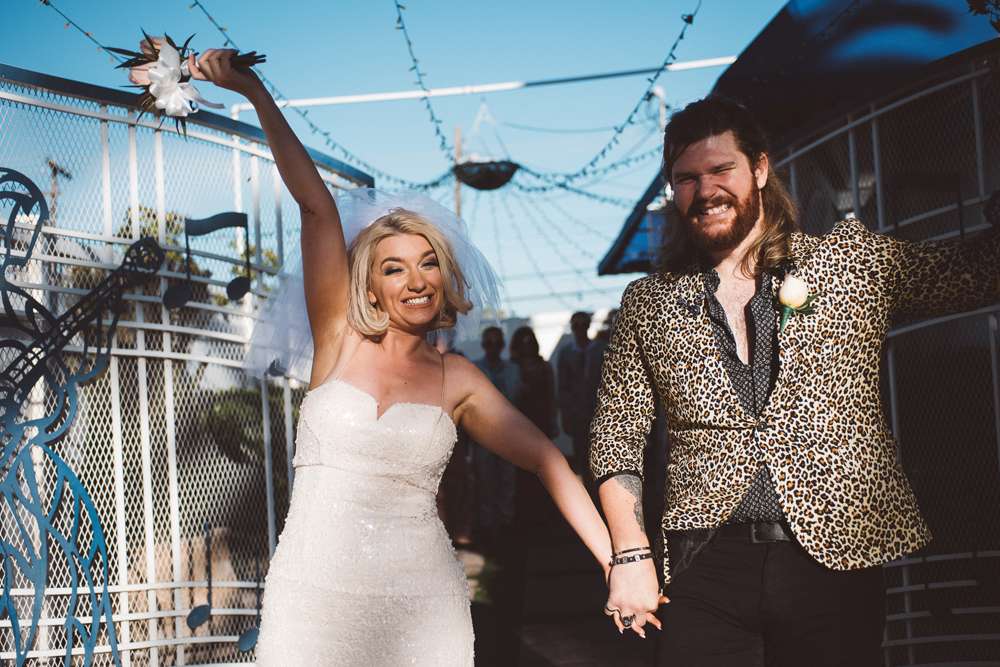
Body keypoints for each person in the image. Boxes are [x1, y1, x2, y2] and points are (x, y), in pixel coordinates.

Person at [136, 46, 616, 666]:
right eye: (394, 268)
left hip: (423, 608)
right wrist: (255, 94)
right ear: (369, 285)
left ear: (443, 278)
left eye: (428, 264)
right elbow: (316, 206)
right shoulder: (336, 338)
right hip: (312, 601)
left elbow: (548, 460)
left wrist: (617, 561)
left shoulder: (459, 380)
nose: (415, 281)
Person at [590, 96, 1000, 666]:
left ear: (759, 168)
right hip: (703, 563)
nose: (705, 190)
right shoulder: (648, 301)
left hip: (836, 558)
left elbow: (975, 275)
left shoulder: (850, 264)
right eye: (686, 178)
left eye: (721, 169)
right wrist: (631, 555)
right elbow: (615, 435)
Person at [471, 326, 521, 550]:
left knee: (507, 482)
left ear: (502, 345)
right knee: (485, 483)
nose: (492, 347)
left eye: (496, 343)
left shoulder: (512, 370)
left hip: (509, 435)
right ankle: (488, 529)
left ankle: (506, 527)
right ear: (484, 345)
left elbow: (516, 400)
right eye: (489, 343)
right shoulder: (475, 368)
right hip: (482, 435)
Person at [556, 311, 596, 474]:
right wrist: (566, 415)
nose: (579, 329)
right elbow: (562, 386)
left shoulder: (599, 349)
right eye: (576, 325)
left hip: (597, 411)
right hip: (577, 413)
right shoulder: (566, 353)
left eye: (582, 324)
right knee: (580, 454)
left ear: (588, 326)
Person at [510, 326, 558, 439]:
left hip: (541, 418)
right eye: (523, 342)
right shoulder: (511, 367)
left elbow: (551, 396)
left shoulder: (545, 366)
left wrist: (553, 421)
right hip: (519, 418)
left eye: (529, 341)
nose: (527, 345)